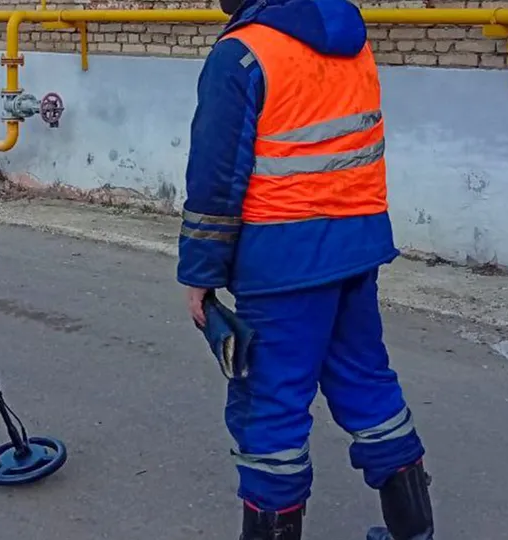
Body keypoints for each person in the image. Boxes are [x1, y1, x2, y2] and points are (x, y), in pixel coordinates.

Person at [177, 0, 434, 538]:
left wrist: (200, 273)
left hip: (284, 264)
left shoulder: (242, 54)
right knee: (369, 385)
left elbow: (215, 180)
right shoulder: (351, 40)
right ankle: (415, 532)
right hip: (357, 248)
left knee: (270, 407)